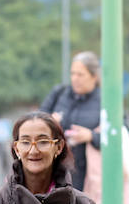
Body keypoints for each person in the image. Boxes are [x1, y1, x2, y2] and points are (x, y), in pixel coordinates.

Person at [40, 52, 102, 193]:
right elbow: (35, 123)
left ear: (94, 77)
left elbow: (121, 134)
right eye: (72, 73)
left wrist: (91, 136)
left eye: (80, 75)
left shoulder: (105, 101)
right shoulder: (59, 93)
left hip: (89, 178)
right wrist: (50, 123)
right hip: (57, 172)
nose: (75, 79)